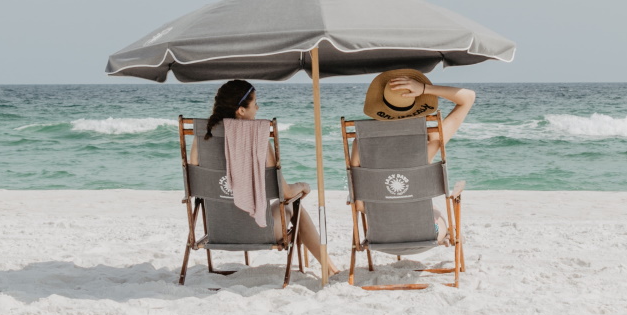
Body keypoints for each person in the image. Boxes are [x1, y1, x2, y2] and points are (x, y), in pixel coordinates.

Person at [189, 79, 341, 274]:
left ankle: (325, 266)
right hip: (259, 232)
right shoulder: (258, 139)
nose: (258, 108)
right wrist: (302, 186)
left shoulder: (201, 138)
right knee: (295, 207)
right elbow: (285, 193)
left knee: (287, 206)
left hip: (217, 230)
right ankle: (330, 269)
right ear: (241, 110)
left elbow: (196, 185)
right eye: (255, 104)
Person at [355, 68, 476, 241]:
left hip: (380, 236)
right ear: (416, 104)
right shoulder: (430, 142)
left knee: (431, 211)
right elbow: (468, 98)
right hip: (428, 235)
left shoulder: (360, 144)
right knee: (437, 213)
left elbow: (359, 205)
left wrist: (391, 204)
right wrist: (426, 89)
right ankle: (450, 230)